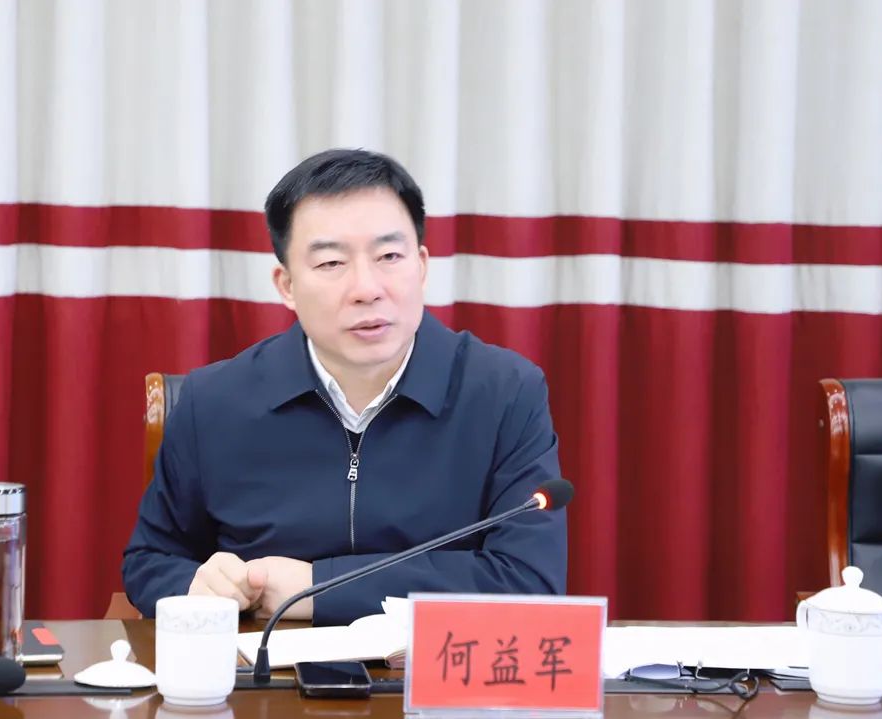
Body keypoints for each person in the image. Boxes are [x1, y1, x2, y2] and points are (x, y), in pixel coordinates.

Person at [122, 148, 566, 625]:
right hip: (264, 665)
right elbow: (151, 562)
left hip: (436, 666)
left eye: (389, 256)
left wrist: (318, 588)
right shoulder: (214, 401)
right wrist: (200, 585)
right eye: (332, 263)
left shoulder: (505, 393)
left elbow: (528, 580)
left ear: (421, 265)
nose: (366, 289)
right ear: (286, 285)